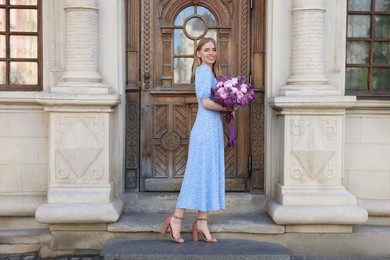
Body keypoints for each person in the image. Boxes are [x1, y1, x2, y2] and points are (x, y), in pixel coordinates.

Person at [161, 37, 239, 243]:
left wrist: (230, 103)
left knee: (206, 174)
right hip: (204, 130)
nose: (211, 53)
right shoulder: (203, 72)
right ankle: (176, 219)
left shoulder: (211, 73)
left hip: (212, 130)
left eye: (214, 49)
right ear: (198, 53)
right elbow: (205, 102)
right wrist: (228, 107)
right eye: (206, 49)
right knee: (196, 174)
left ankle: (202, 221)